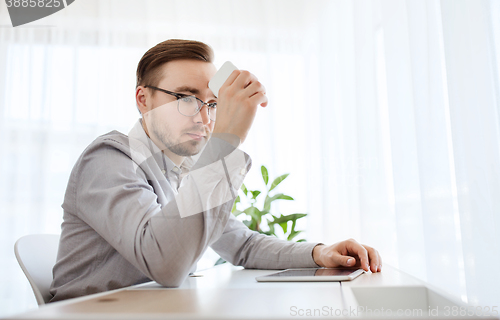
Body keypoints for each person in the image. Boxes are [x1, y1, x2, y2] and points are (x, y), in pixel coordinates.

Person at [49, 39, 382, 302]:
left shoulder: (181, 172)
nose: (205, 118)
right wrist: (226, 139)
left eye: (212, 103)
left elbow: (242, 244)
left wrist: (319, 252)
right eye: (185, 97)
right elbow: (164, 263)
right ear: (143, 99)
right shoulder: (108, 159)